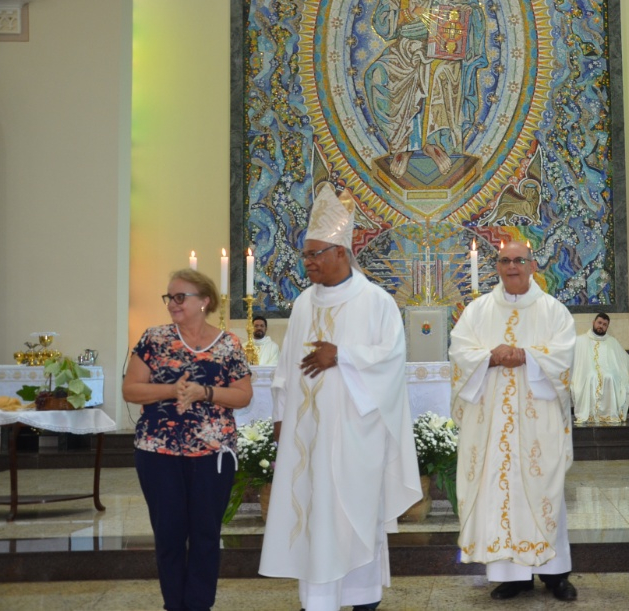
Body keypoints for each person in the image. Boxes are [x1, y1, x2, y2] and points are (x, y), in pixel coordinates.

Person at [258, 185, 421, 611]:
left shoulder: (376, 302)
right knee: (313, 513)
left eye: (316, 254)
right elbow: (284, 370)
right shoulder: (301, 304)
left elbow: (392, 359)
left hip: (355, 435)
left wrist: (341, 356)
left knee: (353, 514)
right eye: (306, 255)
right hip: (305, 436)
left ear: (342, 253)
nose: (308, 262)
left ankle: (363, 598)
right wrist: (280, 418)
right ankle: (318, 600)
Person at [449, 241, 578, 602]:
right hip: (491, 423)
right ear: (497, 267)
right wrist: (488, 357)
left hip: (538, 423)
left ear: (532, 265)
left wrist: (525, 355)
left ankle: (556, 574)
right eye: (504, 261)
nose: (511, 267)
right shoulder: (478, 310)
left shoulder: (553, 310)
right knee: (499, 492)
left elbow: (565, 355)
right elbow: (459, 351)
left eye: (518, 260)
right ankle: (513, 575)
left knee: (543, 494)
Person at [123, 269, 253, 611]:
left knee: (206, 536)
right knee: (168, 535)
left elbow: (243, 396)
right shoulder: (154, 338)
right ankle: (174, 605)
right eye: (169, 297)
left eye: (181, 297)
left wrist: (204, 392)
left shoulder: (229, 344)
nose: (172, 304)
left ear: (204, 301)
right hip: (158, 452)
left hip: (213, 455)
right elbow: (131, 388)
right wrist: (172, 390)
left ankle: (198, 605)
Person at [364, 0, 487, 178]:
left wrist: (456, 18)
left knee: (441, 72)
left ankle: (435, 143)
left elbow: (473, 10)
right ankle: (402, 146)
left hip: (442, 46)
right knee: (376, 75)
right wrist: (406, 15)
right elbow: (382, 24)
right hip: (406, 47)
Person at [571, 312, 629, 425]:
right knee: (591, 376)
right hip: (587, 373)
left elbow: (624, 359)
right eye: (599, 323)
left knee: (609, 377)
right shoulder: (580, 340)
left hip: (607, 373)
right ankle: (591, 414)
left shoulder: (612, 342)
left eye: (604, 324)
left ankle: (608, 414)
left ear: (607, 327)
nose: (601, 326)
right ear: (593, 322)